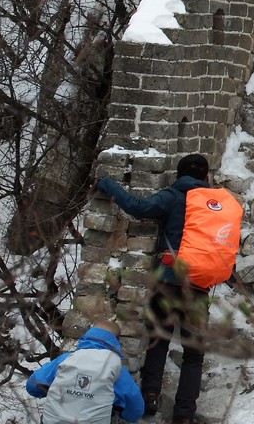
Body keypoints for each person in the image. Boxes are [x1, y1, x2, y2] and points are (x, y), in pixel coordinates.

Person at [96, 154, 213, 424]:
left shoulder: (173, 196)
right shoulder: (215, 205)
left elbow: (138, 207)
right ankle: (183, 416)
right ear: (206, 178)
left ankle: (149, 396)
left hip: (168, 282)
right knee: (193, 355)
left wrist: (107, 184)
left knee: (159, 339)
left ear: (179, 175)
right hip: (198, 288)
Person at [26, 319, 144, 424]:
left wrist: (46, 391)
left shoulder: (67, 358)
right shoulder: (116, 367)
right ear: (116, 341)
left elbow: (33, 385)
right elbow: (136, 409)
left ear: (88, 335)